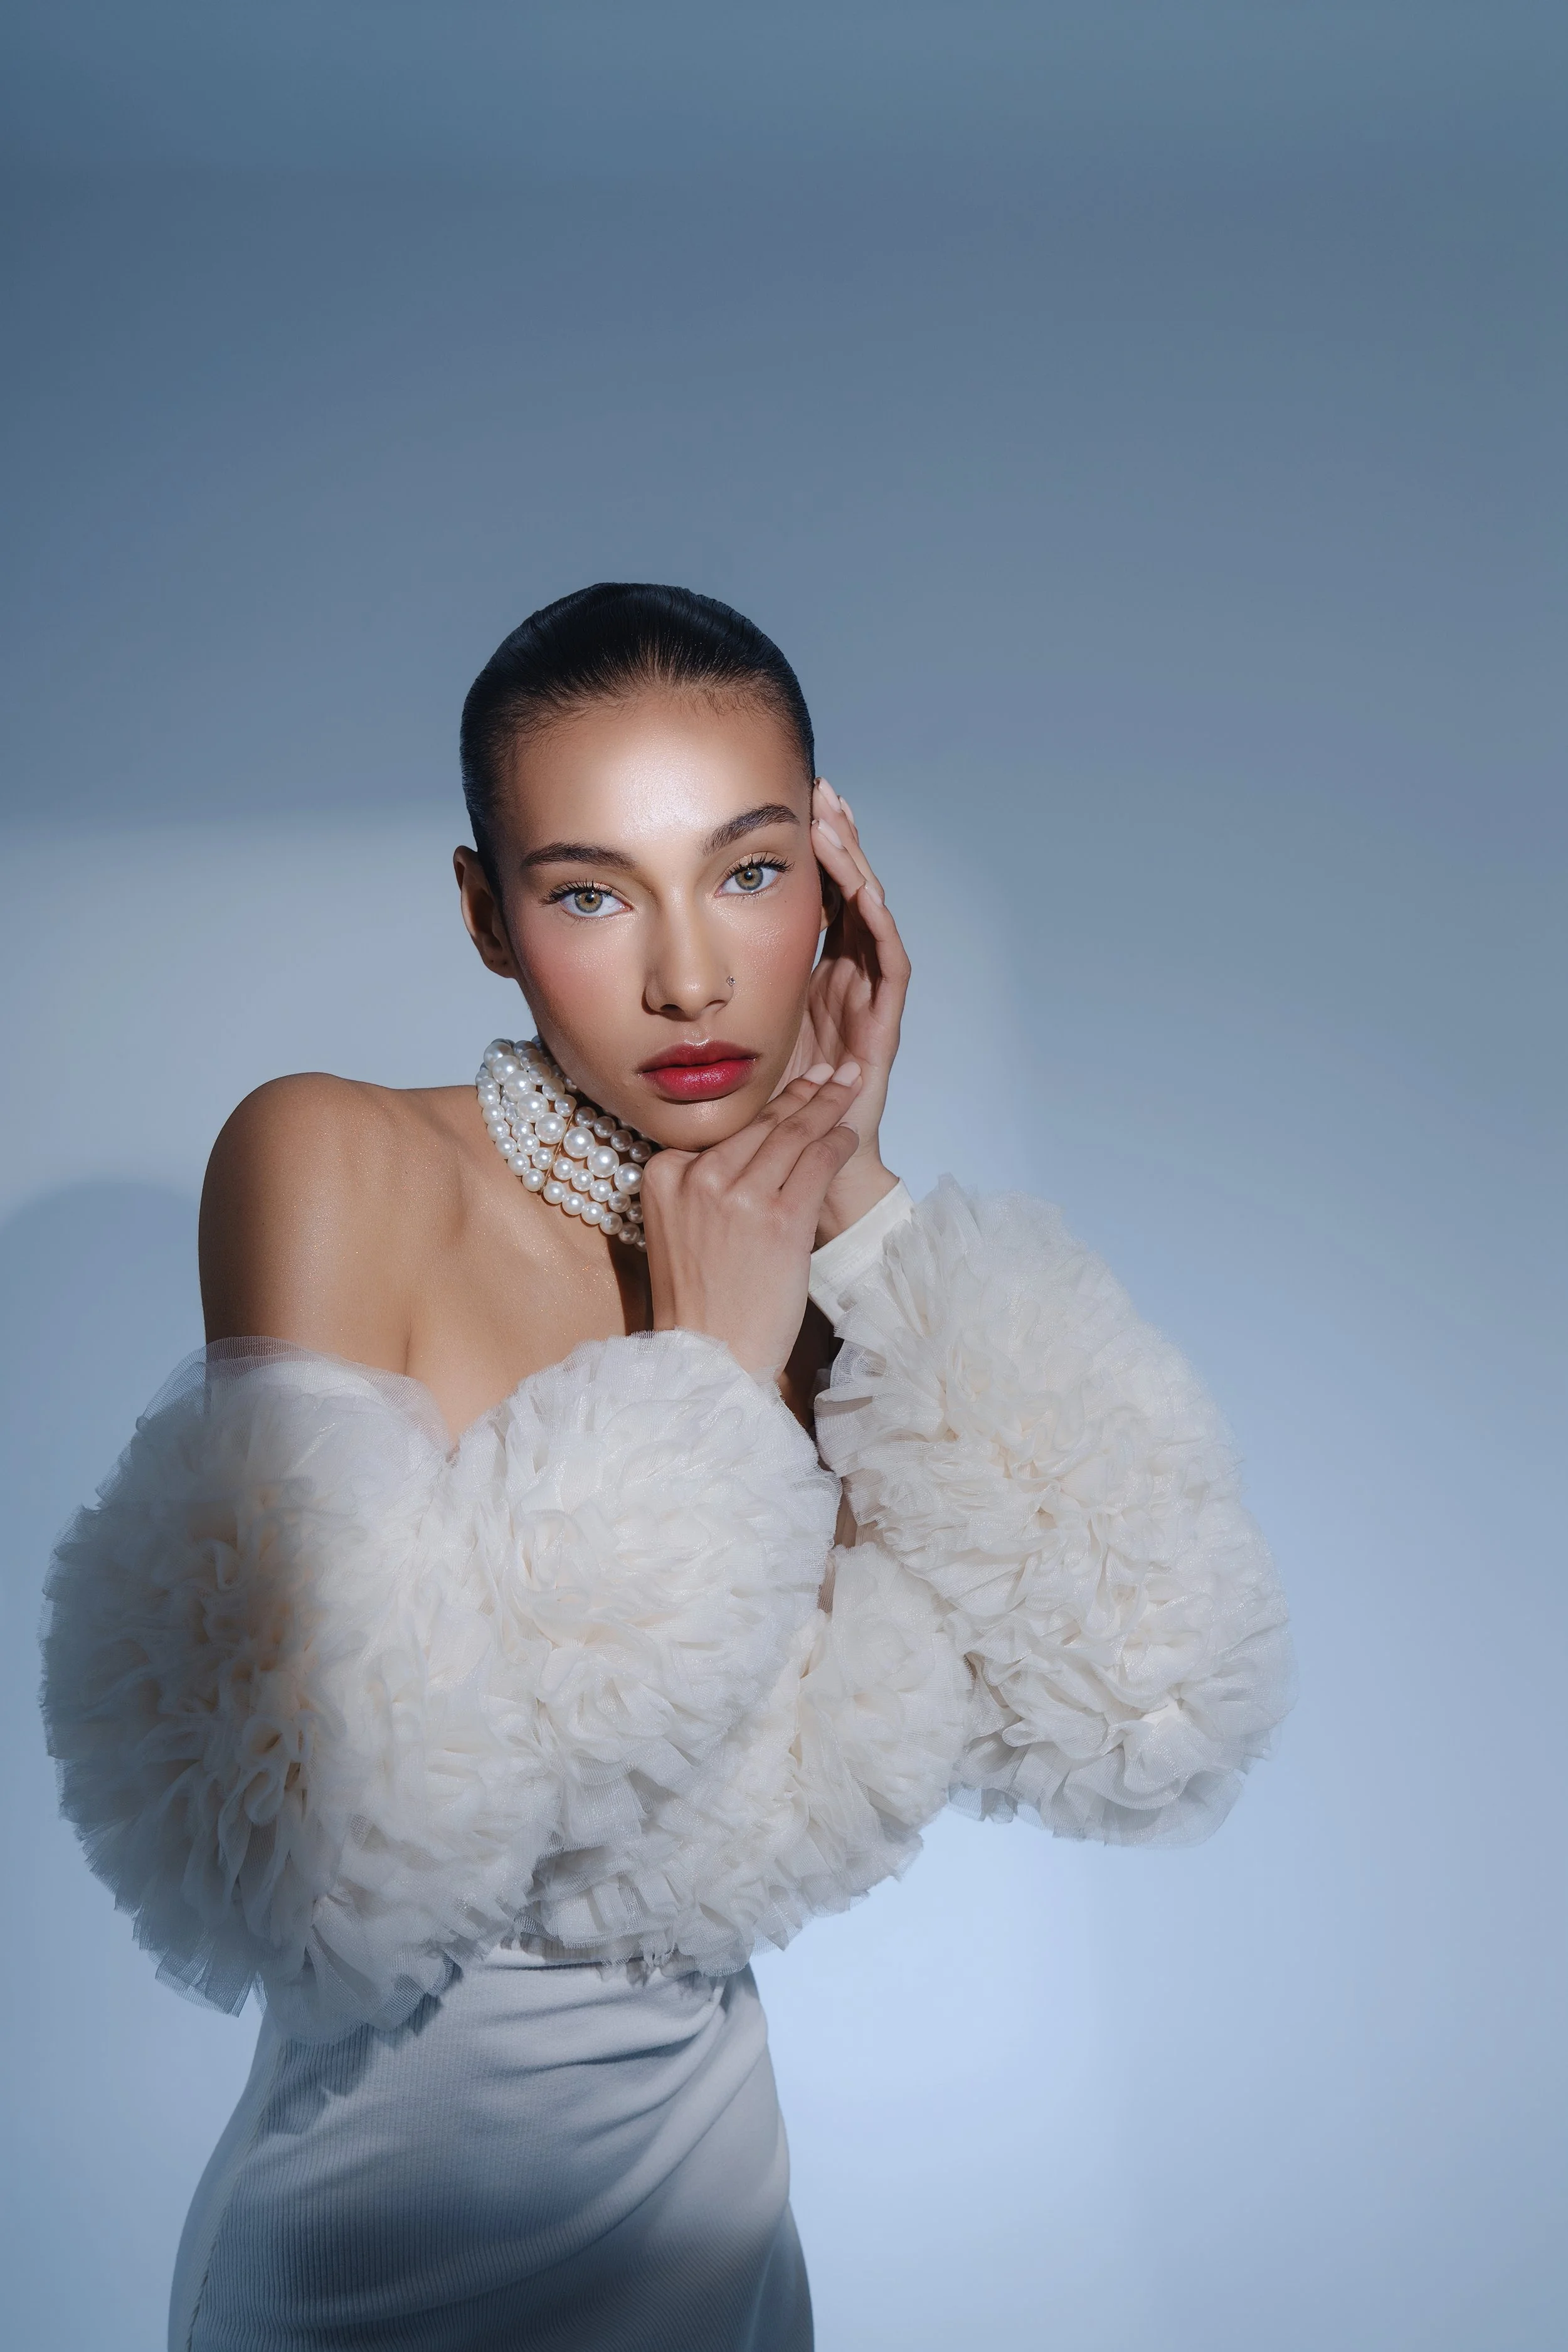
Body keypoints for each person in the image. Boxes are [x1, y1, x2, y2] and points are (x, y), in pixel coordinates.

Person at [41, 583, 1295, 2352]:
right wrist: (703, 1376)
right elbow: (285, 1848)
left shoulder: (839, 1282)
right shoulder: (337, 1161)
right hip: (368, 2277)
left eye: (749, 870)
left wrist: (852, 1201)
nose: (691, 976)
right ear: (486, 914)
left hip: (721, 2274)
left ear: (833, 886)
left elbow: (1153, 1703)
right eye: (587, 891)